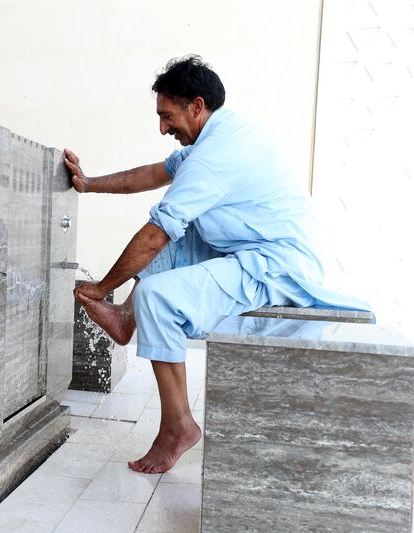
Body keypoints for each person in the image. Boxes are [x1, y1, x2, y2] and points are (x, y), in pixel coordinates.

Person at [64, 55, 369, 474]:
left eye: (167, 116)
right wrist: (88, 184)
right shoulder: (215, 135)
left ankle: (179, 426)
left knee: (159, 293)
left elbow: (155, 234)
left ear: (197, 105)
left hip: (275, 264)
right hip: (251, 246)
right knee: (184, 233)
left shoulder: (215, 157)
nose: (162, 128)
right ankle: (125, 318)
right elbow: (153, 173)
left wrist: (101, 287)